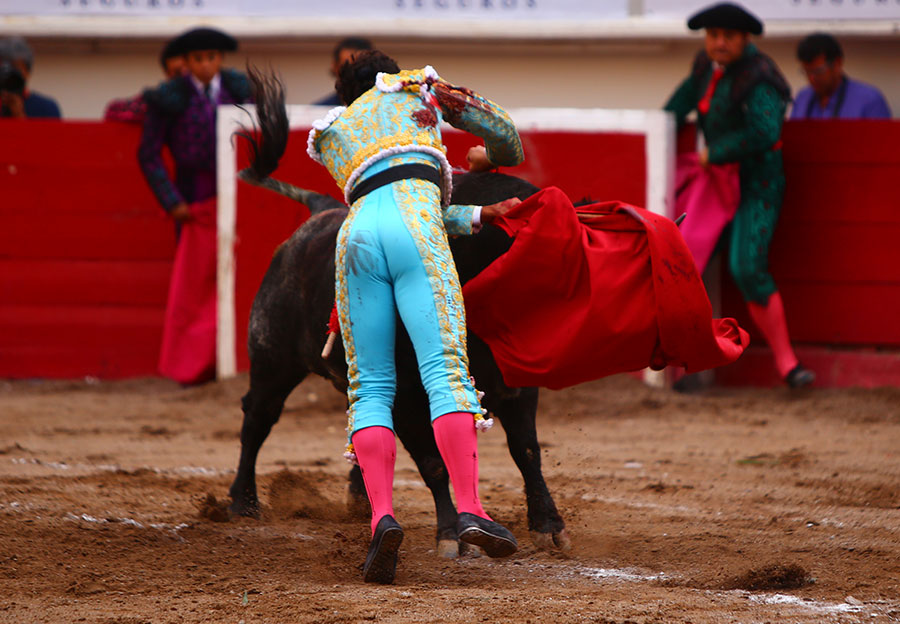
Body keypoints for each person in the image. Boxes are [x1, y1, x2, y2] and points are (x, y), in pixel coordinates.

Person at [307, 50, 524, 583]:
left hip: (354, 238)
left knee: (371, 386)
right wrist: (485, 156)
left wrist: (475, 213)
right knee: (444, 370)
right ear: (390, 73)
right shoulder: (417, 89)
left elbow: (389, 193)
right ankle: (470, 506)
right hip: (416, 230)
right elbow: (505, 136)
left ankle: (383, 517)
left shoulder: (335, 129)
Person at [664, 2, 815, 389]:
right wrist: (660, 129)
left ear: (745, 39)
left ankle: (788, 366)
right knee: (684, 261)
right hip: (715, 184)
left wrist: (715, 152)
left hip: (756, 184)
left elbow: (765, 132)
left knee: (747, 267)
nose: (719, 43)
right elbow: (675, 109)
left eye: (727, 36)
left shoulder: (760, 76)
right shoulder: (704, 66)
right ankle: (688, 366)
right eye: (713, 35)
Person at [138, 27, 252, 385]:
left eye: (212, 57)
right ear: (185, 63)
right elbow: (148, 154)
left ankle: (231, 362)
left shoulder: (240, 91)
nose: (206, 65)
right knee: (195, 284)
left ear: (220, 59)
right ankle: (195, 367)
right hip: (194, 198)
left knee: (239, 276)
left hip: (237, 196)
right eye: (198, 59)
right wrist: (173, 202)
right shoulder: (168, 98)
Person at [791, 33, 891, 120]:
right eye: (807, 72)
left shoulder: (869, 100)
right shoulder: (802, 98)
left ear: (837, 63)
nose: (811, 78)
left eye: (818, 71)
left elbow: (883, 141)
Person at [104, 38, 187, 123]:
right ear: (168, 73)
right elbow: (113, 110)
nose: (185, 76)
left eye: (189, 71)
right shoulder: (156, 99)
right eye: (178, 73)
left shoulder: (198, 101)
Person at [0, 36, 61, 119]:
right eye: (3, 66)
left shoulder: (46, 108)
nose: (8, 72)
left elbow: (52, 132)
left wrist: (19, 116)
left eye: (15, 67)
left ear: (27, 72)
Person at [311, 36, 373, 106]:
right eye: (347, 67)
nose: (354, 73)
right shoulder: (319, 111)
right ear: (334, 67)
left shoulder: (384, 107)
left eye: (361, 67)